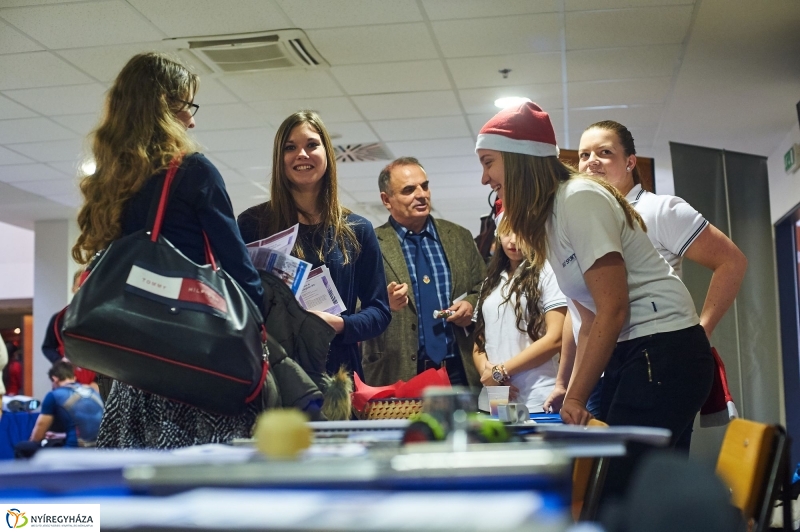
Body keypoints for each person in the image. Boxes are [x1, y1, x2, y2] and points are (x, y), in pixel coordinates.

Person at [475, 102, 714, 500]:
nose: (484, 178)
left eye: (488, 163)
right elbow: (587, 317)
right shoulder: (551, 215)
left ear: (518, 161)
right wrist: (571, 391)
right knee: (611, 491)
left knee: (614, 492)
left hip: (664, 350)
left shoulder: (578, 197)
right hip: (635, 351)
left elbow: (613, 309)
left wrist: (576, 395)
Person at [71, 52, 265, 449]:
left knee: (137, 477)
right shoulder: (194, 171)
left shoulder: (111, 180)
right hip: (192, 363)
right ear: (164, 106)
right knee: (197, 477)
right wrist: (261, 321)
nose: (192, 121)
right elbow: (238, 272)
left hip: (133, 372)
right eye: (187, 106)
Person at [544, 121, 747, 447]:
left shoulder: (658, 209)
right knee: (604, 469)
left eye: (604, 152)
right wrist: (567, 384)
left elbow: (731, 261)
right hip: (601, 367)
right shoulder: (576, 215)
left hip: (652, 355)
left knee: (637, 468)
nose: (591, 161)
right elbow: (581, 315)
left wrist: (702, 329)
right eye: (583, 155)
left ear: (630, 162)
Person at [237, 110, 390, 380]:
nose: (302, 154)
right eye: (290, 147)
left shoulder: (357, 229)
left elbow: (379, 312)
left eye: (311, 145)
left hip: (338, 375)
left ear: (327, 153)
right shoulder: (253, 223)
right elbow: (239, 300)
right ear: (279, 158)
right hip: (274, 374)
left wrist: (341, 324)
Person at [361, 157, 487, 387]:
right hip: (397, 372)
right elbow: (350, 308)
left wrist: (471, 305)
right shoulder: (369, 245)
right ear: (386, 200)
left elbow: (484, 287)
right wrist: (382, 303)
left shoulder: (459, 237)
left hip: (460, 370)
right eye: (409, 190)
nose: (421, 195)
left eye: (425, 186)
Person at [473, 229, 567, 412]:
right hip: (494, 399)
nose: (513, 240)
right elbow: (479, 343)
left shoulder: (549, 272)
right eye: (507, 232)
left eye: (521, 232)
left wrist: (499, 372)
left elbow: (556, 338)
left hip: (537, 397)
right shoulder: (490, 281)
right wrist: (490, 376)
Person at [15, 361, 103, 457]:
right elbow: (87, 430)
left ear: (54, 379)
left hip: (74, 452)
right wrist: (59, 436)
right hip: (99, 449)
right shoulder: (91, 391)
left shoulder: (54, 395)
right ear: (74, 378)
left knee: (22, 447)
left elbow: (37, 437)